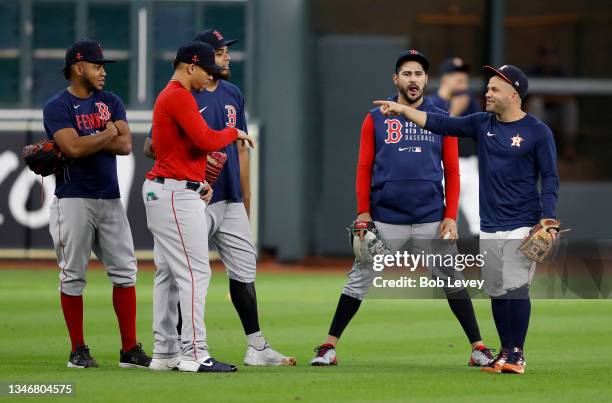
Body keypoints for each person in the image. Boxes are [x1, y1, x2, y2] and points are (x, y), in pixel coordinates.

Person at [310, 50, 493, 368]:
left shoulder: (440, 115)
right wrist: (363, 212)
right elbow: (364, 166)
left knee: (452, 278)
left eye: (419, 74)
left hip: (430, 217)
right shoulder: (376, 117)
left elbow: (452, 169)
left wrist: (450, 215)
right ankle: (329, 346)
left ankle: (478, 347)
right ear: (396, 79)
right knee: (359, 278)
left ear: (426, 79)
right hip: (385, 217)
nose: (413, 79)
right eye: (407, 73)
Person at [374, 63, 560, 375]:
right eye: (487, 88)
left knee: (515, 288)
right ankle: (504, 351)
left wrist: (548, 219)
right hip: (490, 224)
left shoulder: (538, 132)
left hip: (522, 224)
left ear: (514, 95)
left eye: (494, 89)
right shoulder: (480, 123)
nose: (486, 93)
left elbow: (550, 178)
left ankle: (517, 353)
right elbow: (439, 123)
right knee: (497, 291)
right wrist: (402, 110)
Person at [145, 28, 295, 367]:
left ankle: (255, 346)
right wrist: (196, 152)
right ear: (198, 61)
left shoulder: (231, 93)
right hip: (188, 195)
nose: (225, 56)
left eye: (226, 51)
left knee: (239, 269)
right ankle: (181, 351)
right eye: (220, 51)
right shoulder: (181, 94)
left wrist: (246, 197)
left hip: (221, 194)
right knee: (178, 274)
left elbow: (239, 150)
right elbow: (153, 146)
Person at [142, 41, 255, 373]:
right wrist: (234, 131)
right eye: (207, 70)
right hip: (175, 195)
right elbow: (206, 139)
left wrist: (196, 178)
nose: (210, 77)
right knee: (195, 272)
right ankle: (195, 353)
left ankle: (164, 353)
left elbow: (170, 148)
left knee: (167, 275)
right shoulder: (178, 95)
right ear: (190, 67)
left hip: (169, 188)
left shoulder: (171, 95)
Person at [44, 38, 151, 369]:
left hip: (109, 197)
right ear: (78, 68)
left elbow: (125, 146)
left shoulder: (111, 101)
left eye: (103, 65)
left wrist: (96, 138)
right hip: (72, 198)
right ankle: (78, 350)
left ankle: (130, 350)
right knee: (73, 276)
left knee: (126, 272)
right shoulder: (57, 106)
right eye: (96, 65)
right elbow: (73, 148)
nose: (103, 71)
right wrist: (106, 134)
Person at [430, 57, 481, 236]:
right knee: (445, 225)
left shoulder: (471, 101)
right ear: (445, 79)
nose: (462, 82)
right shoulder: (431, 103)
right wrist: (454, 111)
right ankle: (441, 264)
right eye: (457, 77)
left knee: (482, 223)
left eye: (464, 78)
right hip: (442, 167)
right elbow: (431, 130)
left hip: (470, 164)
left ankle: (494, 263)